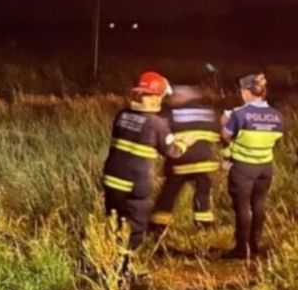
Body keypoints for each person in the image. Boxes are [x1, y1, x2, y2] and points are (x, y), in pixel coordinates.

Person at [102, 71, 196, 257]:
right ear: (156, 97)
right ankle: (124, 271)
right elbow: (172, 152)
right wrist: (185, 142)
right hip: (135, 187)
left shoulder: (122, 116)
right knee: (135, 229)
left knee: (115, 224)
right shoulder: (157, 124)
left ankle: (110, 263)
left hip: (111, 180)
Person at [221, 74, 285, 259]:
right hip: (265, 166)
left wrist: (224, 121)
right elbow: (278, 137)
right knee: (259, 203)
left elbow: (226, 135)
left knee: (242, 207)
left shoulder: (239, 114)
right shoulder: (277, 115)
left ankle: (242, 248)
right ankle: (255, 246)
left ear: (246, 92)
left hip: (243, 167)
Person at [149, 87, 222, 232]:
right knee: (203, 193)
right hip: (203, 164)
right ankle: (204, 225)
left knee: (169, 194)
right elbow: (218, 135)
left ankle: (158, 225)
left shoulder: (171, 114)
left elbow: (161, 136)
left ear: (182, 98)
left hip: (179, 163)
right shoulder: (208, 113)